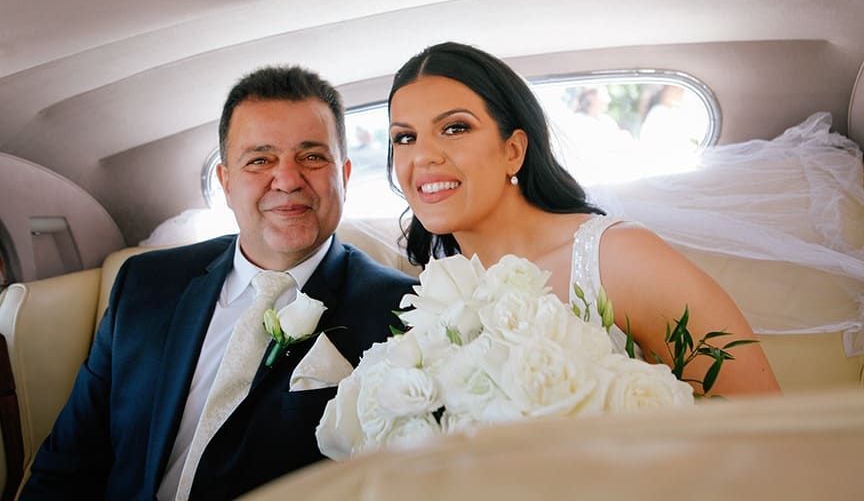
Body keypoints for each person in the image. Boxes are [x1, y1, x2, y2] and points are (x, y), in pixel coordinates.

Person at [23, 66, 417, 499]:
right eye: (259, 160)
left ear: (343, 175)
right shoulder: (145, 284)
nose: (287, 180)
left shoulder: (401, 314)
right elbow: (68, 463)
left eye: (311, 157)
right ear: (226, 183)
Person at [386, 42, 780, 396]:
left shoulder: (618, 259)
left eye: (455, 128)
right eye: (405, 138)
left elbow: (761, 419)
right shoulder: (434, 296)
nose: (423, 156)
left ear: (513, 150)